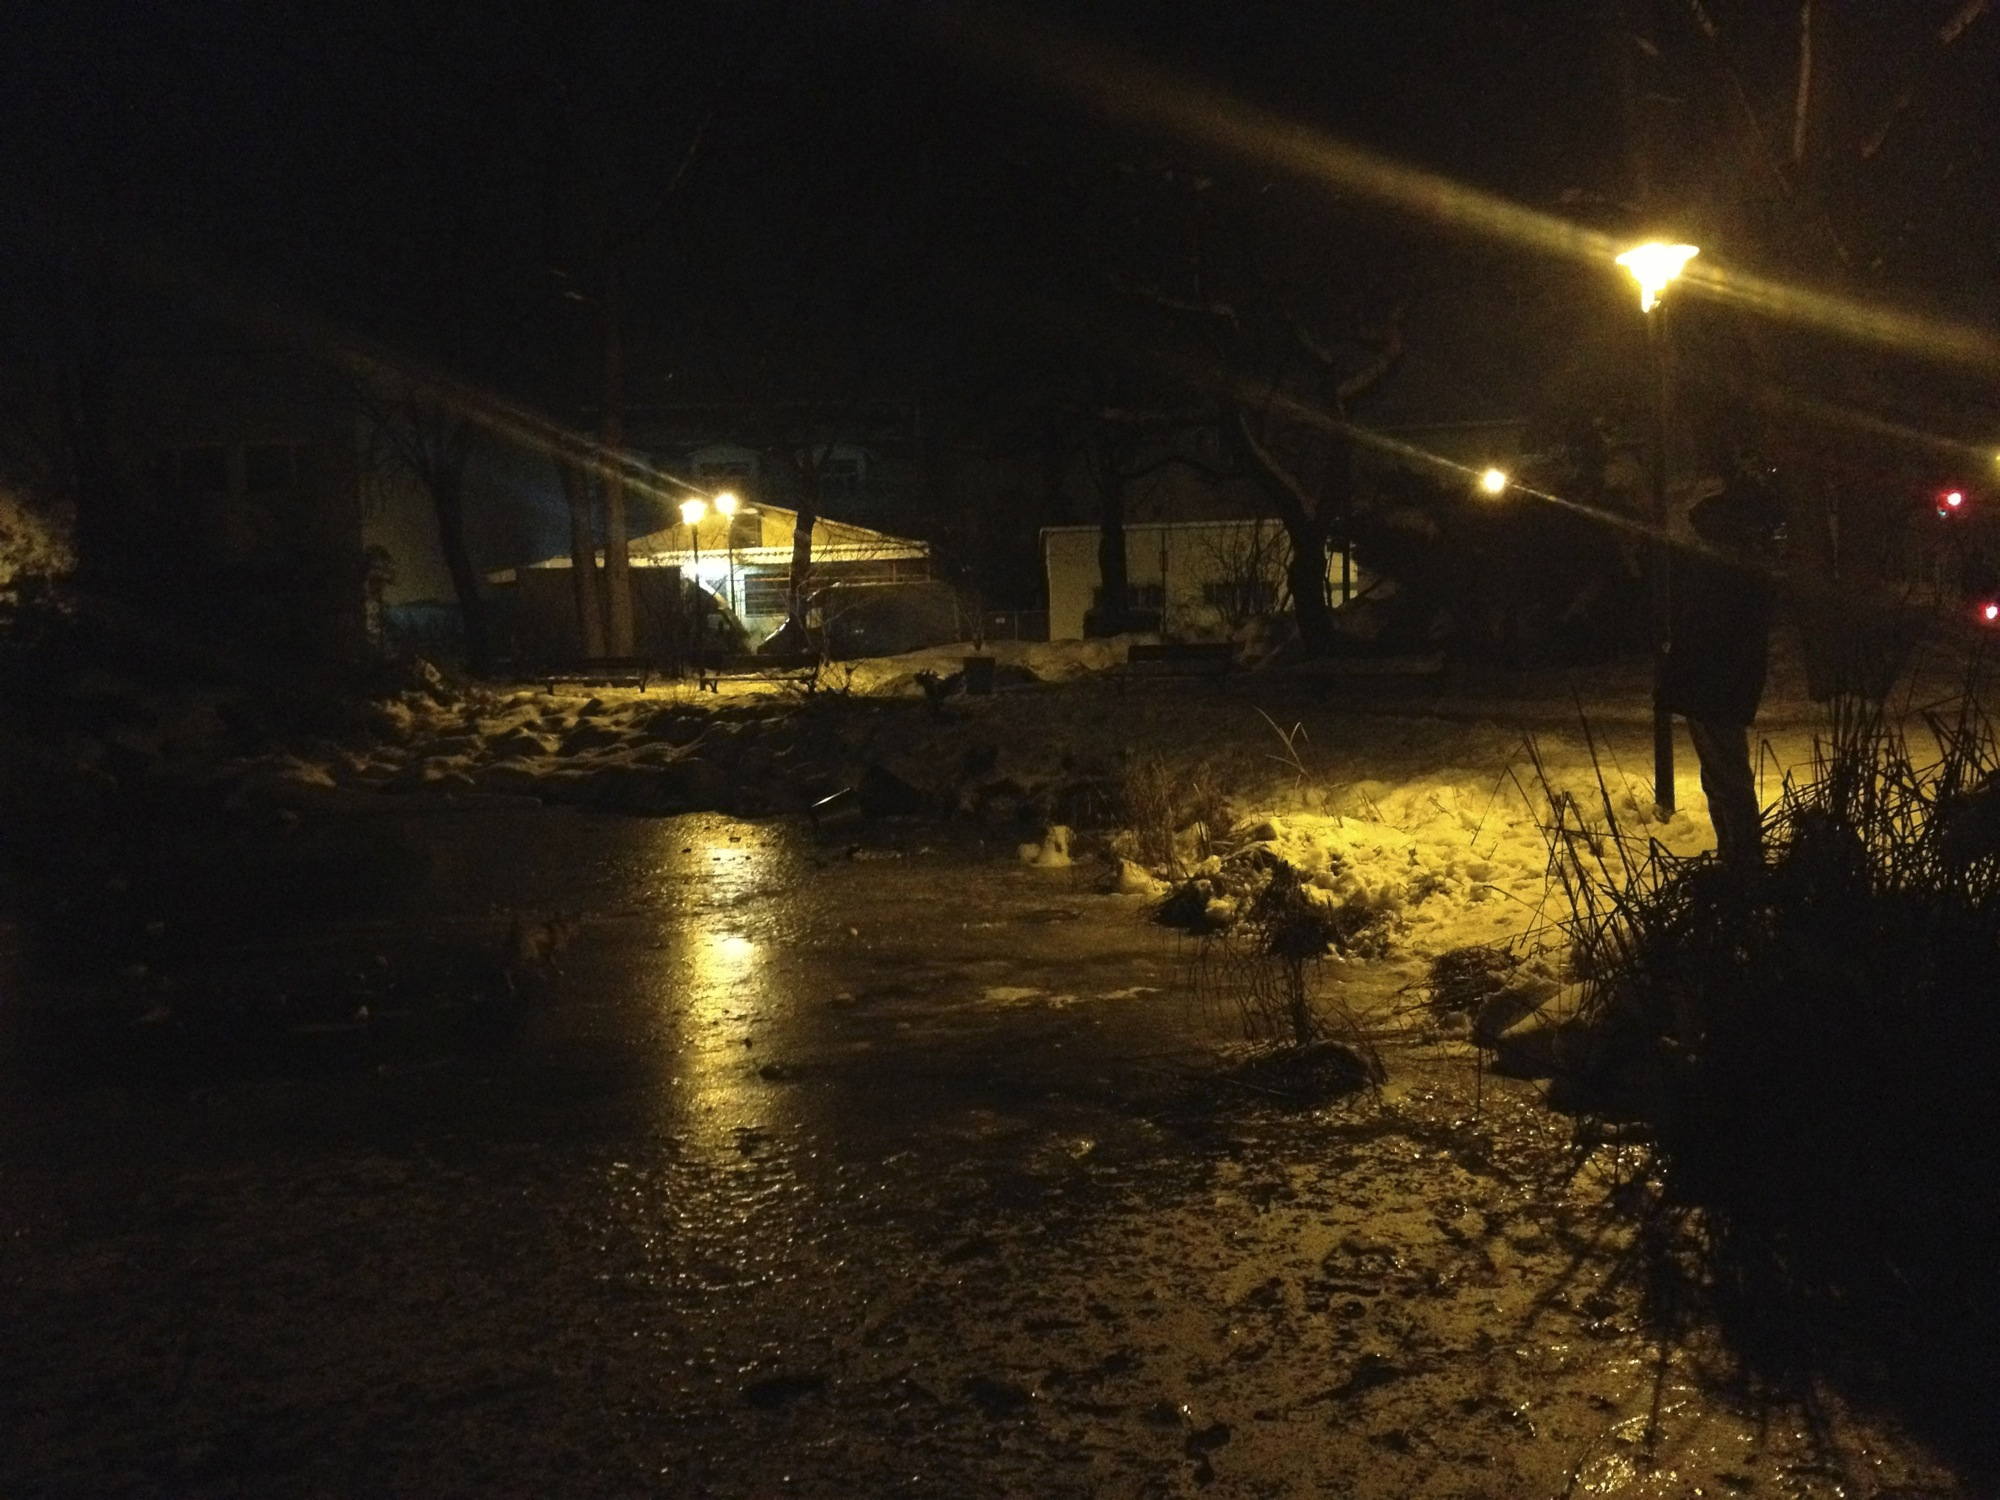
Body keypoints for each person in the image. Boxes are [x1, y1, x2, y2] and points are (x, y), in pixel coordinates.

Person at [1660, 474, 1782, 866]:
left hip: (1714, 684)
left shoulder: (1722, 571)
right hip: (1718, 683)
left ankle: (1743, 857)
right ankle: (1737, 853)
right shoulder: (1735, 568)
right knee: (1721, 773)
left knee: (1726, 773)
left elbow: (1702, 629)